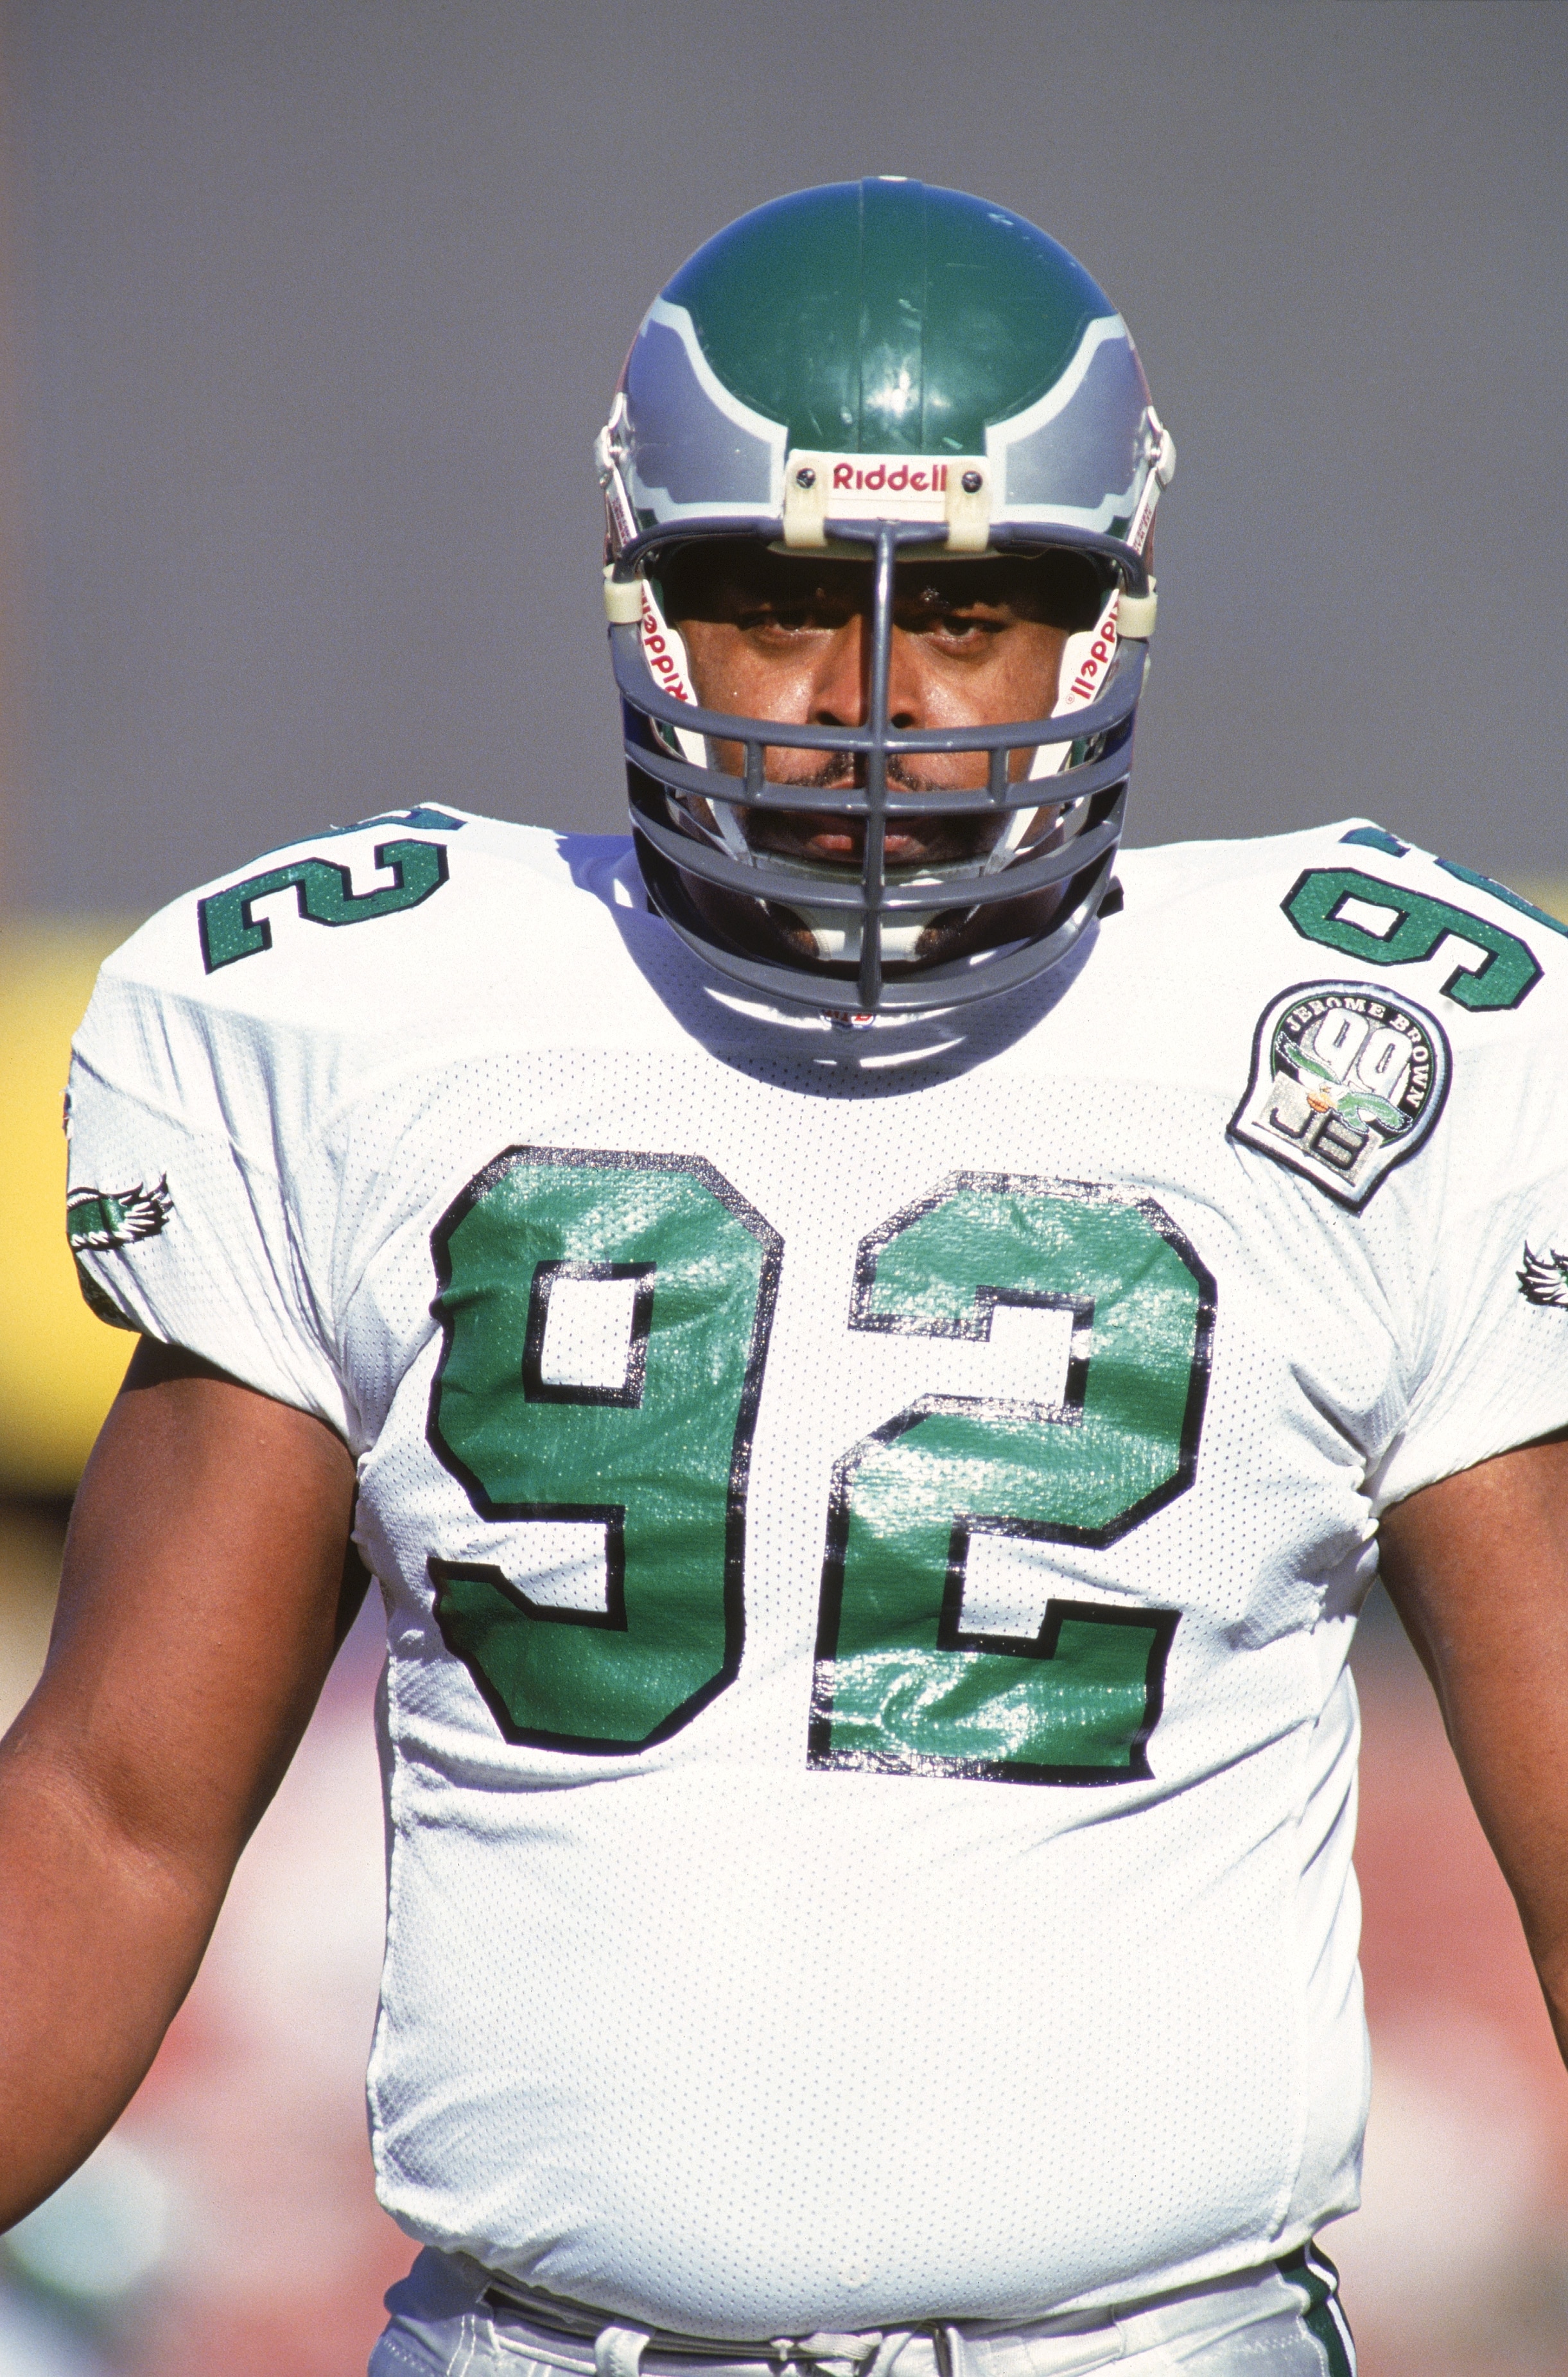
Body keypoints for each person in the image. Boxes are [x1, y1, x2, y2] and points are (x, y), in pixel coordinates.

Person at [4, 177, 1567, 2377]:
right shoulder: (349, 1025)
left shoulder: (1388, 1049)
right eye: (772, 594)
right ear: (642, 589)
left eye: (974, 602)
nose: (870, 698)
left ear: (1105, 610)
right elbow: (114, 1807)